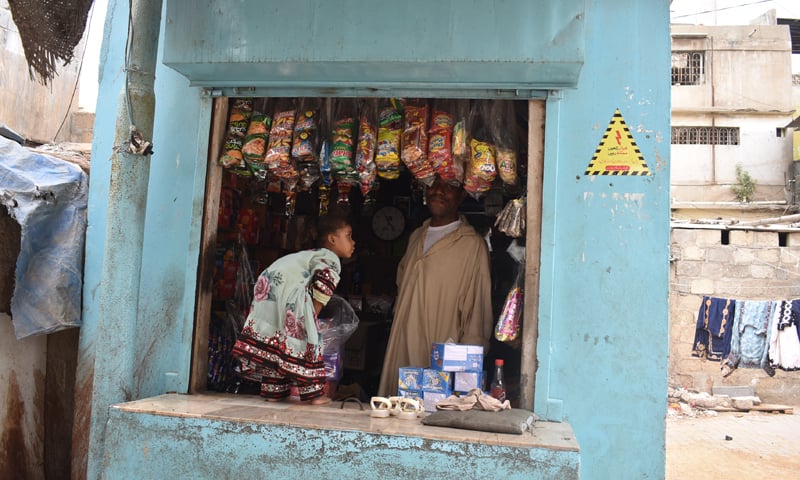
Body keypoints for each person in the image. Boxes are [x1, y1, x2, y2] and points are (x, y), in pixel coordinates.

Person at [378, 176, 493, 397]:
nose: (438, 191)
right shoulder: (416, 237)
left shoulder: (472, 245)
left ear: (462, 195)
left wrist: (466, 376)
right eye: (434, 184)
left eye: (449, 186)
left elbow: (478, 312)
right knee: (396, 409)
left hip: (440, 352)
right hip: (403, 344)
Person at [232, 214, 355, 404]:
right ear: (332, 239)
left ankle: (273, 392)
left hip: (268, 284)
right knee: (304, 340)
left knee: (276, 337)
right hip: (284, 289)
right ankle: (315, 395)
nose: (352, 242)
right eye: (348, 236)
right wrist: (309, 323)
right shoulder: (330, 259)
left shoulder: (309, 255)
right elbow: (321, 293)